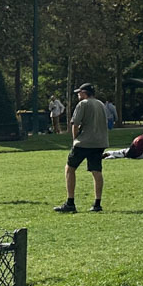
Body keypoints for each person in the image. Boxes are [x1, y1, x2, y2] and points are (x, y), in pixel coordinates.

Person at [54, 83, 108, 213]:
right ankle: (97, 203)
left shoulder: (83, 104)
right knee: (96, 171)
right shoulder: (101, 104)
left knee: (69, 168)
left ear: (84, 93)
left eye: (79, 92)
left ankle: (70, 202)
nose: (78, 95)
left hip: (84, 142)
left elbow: (75, 124)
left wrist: (75, 139)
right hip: (99, 142)